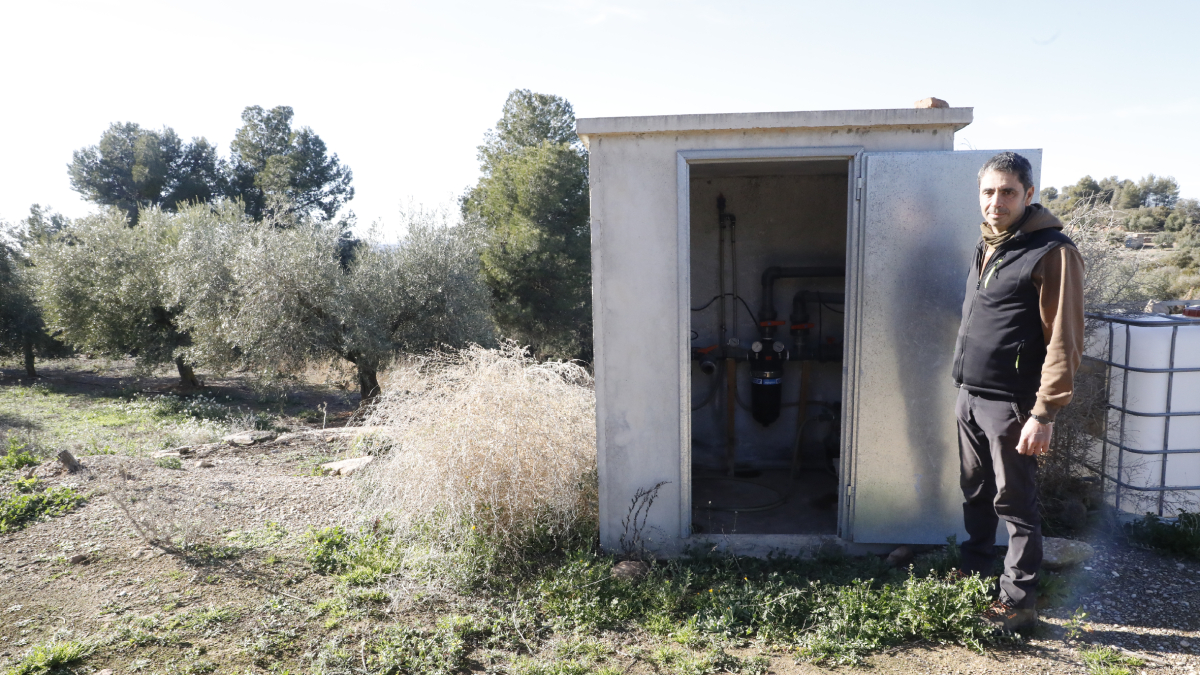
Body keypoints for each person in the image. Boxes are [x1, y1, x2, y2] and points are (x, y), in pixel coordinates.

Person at [950, 152, 1085, 632]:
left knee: (1015, 501)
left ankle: (1019, 602)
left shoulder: (1051, 252)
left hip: (1012, 402)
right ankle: (975, 569)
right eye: (989, 192)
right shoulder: (989, 245)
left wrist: (1043, 413)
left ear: (1028, 194)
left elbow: (1064, 340)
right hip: (970, 394)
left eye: (1008, 192)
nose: (996, 201)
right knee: (975, 491)